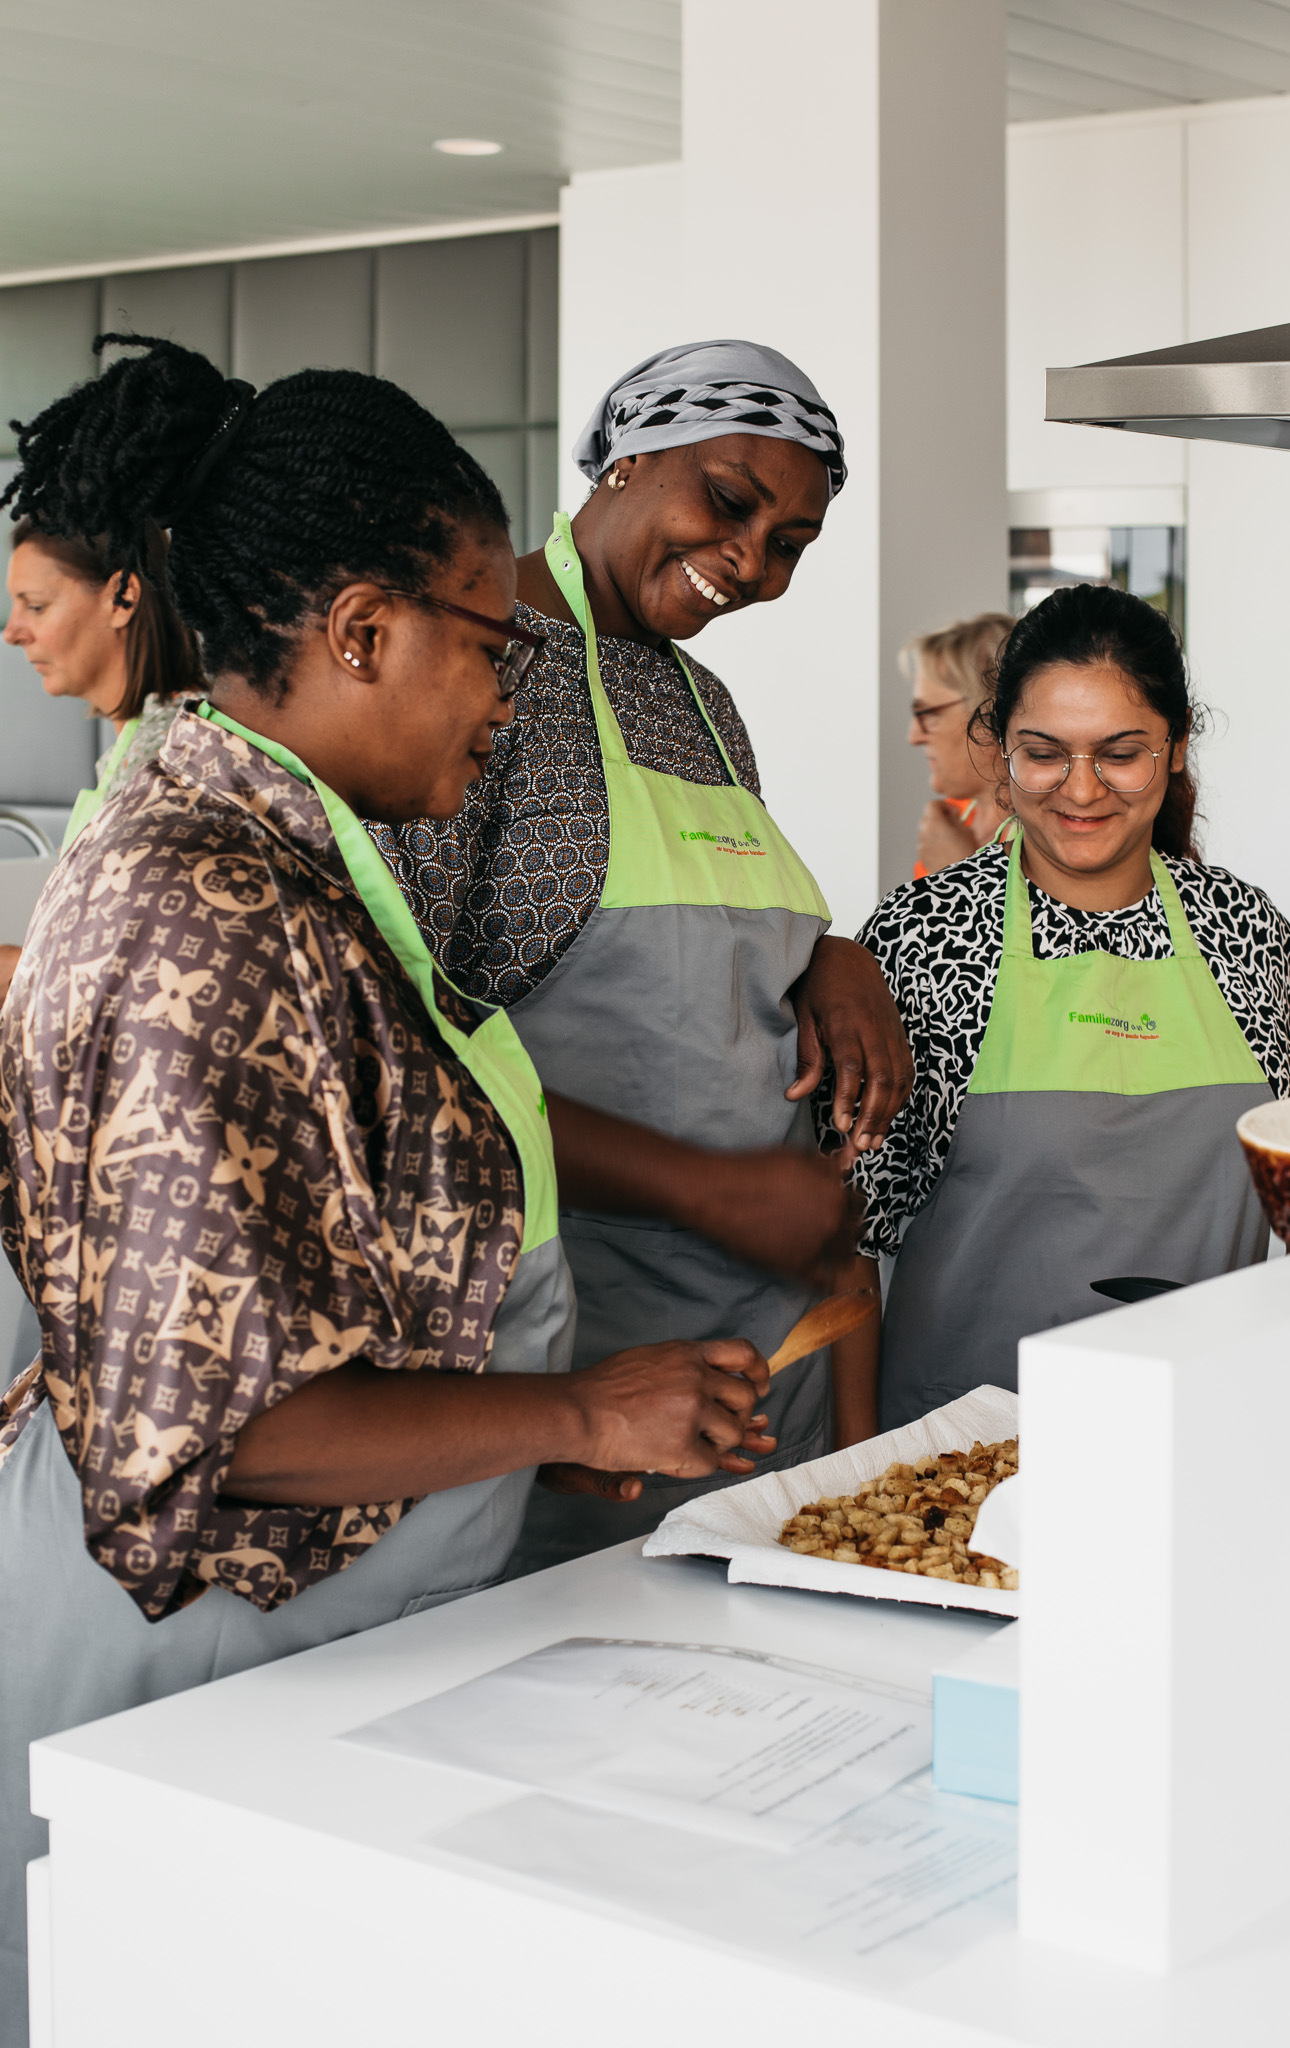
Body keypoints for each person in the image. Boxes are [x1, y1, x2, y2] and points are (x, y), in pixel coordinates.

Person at [0, 336, 772, 2038]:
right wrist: (584, 1407)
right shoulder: (197, 910)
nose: (509, 699)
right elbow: (221, 1431)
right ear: (361, 631)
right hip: (198, 1656)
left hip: (339, 1626)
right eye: (490, 644)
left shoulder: (312, 863)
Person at [373, 339, 913, 1566]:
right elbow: (415, 1059)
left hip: (774, 1344)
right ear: (628, 453)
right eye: (730, 500)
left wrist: (829, 955)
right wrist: (712, 1189)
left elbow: (721, 963)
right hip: (591, 1365)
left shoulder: (705, 707)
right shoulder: (478, 662)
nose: (751, 560)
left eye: (790, 544)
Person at [829, 583, 1290, 1434]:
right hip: (953, 1466)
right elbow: (843, 1239)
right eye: (1043, 752)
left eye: (1120, 752)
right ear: (997, 750)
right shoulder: (922, 937)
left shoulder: (1247, 934)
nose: (1080, 790)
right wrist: (846, 1473)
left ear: (1175, 748)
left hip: (1205, 1431)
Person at [0, 512, 202, 998]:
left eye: (37, 606)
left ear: (123, 596)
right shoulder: (138, 744)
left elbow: (140, 974)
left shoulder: (175, 757)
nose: (12, 631)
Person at [906, 612, 1015, 878]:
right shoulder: (951, 819)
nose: (914, 736)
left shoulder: (1055, 838)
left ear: (989, 712)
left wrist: (956, 872)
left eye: (929, 714)